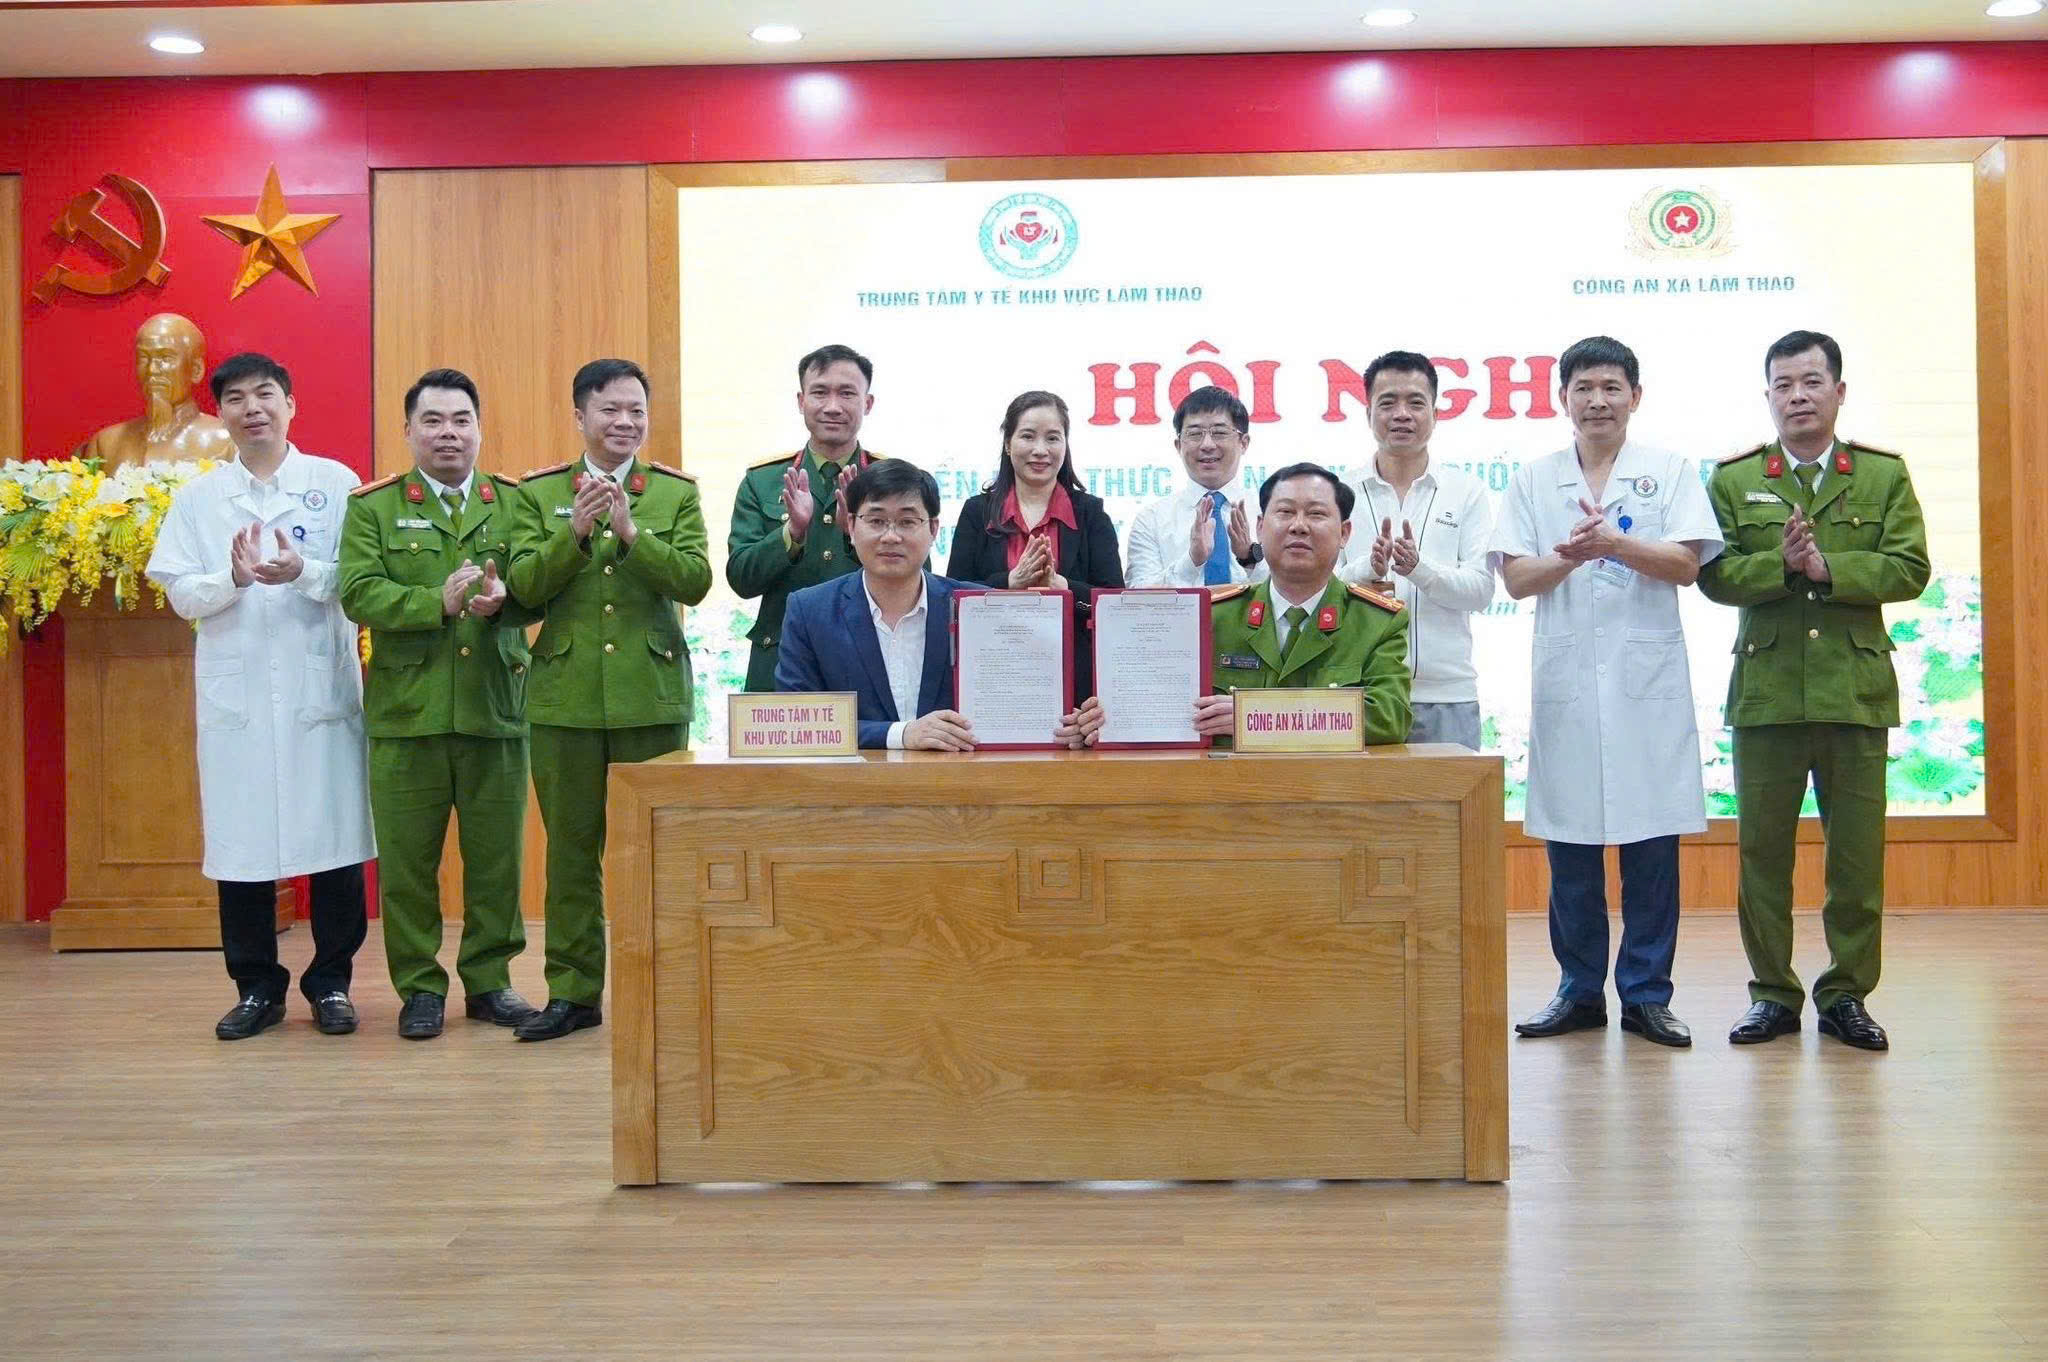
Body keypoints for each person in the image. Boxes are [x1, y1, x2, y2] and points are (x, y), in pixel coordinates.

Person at [1699, 331, 1931, 1052]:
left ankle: (1846, 995)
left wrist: (1829, 567)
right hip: (1767, 694)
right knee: (1762, 858)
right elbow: (1713, 575)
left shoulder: (1882, 475)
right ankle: (1772, 994)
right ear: (1768, 395)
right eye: (1783, 385)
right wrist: (1781, 563)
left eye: (1811, 381)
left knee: (1856, 859)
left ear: (1838, 390)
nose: (1797, 396)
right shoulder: (1734, 480)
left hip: (1855, 692)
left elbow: (1911, 567)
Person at [1492, 335, 1723, 1049]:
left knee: (1652, 846)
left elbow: (1686, 564)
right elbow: (1516, 579)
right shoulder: (1534, 479)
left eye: (1611, 387)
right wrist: (1571, 557)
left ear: (1635, 397)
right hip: (1568, 688)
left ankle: (1647, 996)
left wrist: (1615, 545)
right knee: (1570, 850)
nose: (1597, 401)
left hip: (1645, 688)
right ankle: (1579, 990)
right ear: (1563, 398)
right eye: (1584, 388)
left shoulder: (1669, 470)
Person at [143, 352, 375, 1040]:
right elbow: (180, 591)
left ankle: (331, 984)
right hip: (238, 697)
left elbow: (363, 582)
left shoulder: (335, 484)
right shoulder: (199, 499)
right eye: (237, 398)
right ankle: (256, 989)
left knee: (335, 842)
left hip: (319, 695)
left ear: (290, 404)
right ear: (221, 413)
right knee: (241, 844)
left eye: (266, 394)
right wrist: (233, 580)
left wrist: (305, 571)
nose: (253, 408)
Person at [505, 359, 711, 1042]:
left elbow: (695, 581)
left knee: (655, 853)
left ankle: (663, 988)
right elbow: (523, 589)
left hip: (651, 696)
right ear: (580, 416)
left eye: (636, 411)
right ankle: (573, 993)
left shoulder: (673, 493)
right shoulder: (538, 494)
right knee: (571, 853)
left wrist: (631, 534)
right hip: (563, 698)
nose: (625, 422)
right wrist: (574, 535)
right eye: (610, 410)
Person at [338, 368, 540, 1040]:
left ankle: (490, 982)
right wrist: (437, 602)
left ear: (479, 429)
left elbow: (540, 582)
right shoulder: (373, 508)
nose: (448, 433)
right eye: (433, 420)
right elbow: (357, 592)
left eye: (460, 420)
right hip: (407, 714)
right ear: (409, 431)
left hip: (495, 707)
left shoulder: (513, 502)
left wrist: (506, 600)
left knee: (497, 861)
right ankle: (420, 988)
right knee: (407, 865)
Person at [1067, 462, 1410, 749]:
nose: (1299, 526)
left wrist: (1255, 716)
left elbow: (1388, 717)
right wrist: (1106, 718)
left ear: (1345, 533)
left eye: (1316, 514)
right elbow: (1157, 702)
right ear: (1260, 526)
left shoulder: (1377, 621)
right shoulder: (1212, 617)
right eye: (1285, 512)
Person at [1337, 350, 1498, 749]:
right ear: (1368, 414)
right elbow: (1315, 592)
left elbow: (1481, 592)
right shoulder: (1338, 492)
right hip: (1357, 693)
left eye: (1415, 402)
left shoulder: (1466, 491)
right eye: (1387, 403)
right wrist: (1365, 571)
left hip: (1447, 696)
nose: (1401, 414)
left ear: (1436, 414)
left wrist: (1418, 569)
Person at [727, 344, 885, 692]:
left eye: (847, 393)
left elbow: (918, 577)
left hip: (867, 662)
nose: (833, 406)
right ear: (801, 401)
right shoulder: (763, 480)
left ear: (868, 403)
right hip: (780, 663)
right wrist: (792, 533)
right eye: (820, 392)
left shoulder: (891, 481)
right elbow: (741, 579)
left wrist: (855, 534)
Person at [946, 390, 1125, 697]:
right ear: (1007, 443)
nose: (1040, 450)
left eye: (1053, 438)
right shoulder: (977, 512)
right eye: (1028, 436)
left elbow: (1114, 602)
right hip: (994, 674)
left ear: (1065, 445)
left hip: (1074, 681)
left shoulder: (1090, 513)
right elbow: (952, 596)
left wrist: (1063, 586)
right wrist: (1008, 584)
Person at [1123, 385, 1263, 588]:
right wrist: (1191, 561)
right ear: (1178, 445)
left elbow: (1296, 588)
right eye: (1195, 434)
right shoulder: (1152, 520)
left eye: (1219, 432)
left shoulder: (1267, 513)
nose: (1207, 444)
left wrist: (1249, 558)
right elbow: (1138, 596)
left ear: (1244, 443)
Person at [74, 312, 236, 471]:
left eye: (166, 358)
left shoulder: (229, 441)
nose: (152, 369)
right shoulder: (105, 445)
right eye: (144, 358)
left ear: (196, 370)